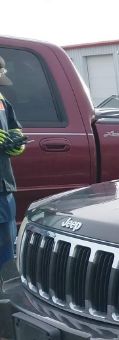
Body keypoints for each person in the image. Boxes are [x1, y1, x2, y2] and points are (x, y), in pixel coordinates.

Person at [0, 56, 26, 268]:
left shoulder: (1, 100)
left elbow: (13, 126)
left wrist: (17, 141)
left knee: (6, 244)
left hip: (3, 188)